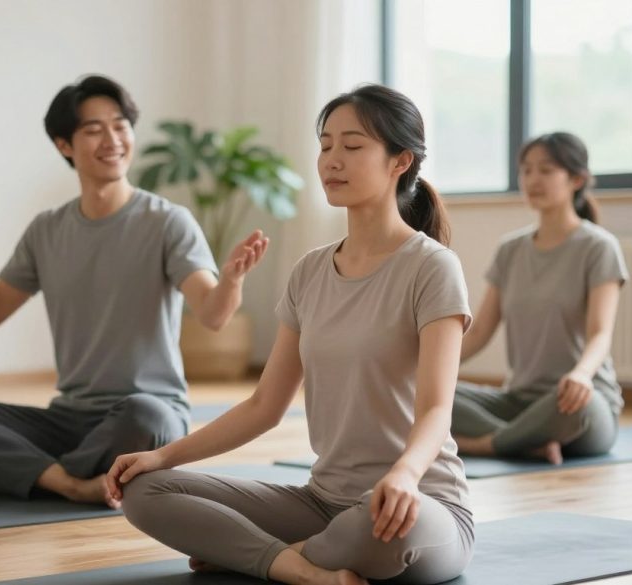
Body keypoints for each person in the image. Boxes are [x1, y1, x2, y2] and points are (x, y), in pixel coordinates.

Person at [107, 84, 474, 585]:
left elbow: (436, 408)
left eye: (352, 146)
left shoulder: (433, 268)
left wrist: (405, 474)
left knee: (380, 529)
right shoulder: (310, 272)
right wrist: (162, 455)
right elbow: (264, 407)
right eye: (325, 146)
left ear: (399, 161)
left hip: (419, 505)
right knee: (145, 490)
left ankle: (259, 556)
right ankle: (298, 568)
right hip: (321, 503)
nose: (332, 161)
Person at [0, 75, 268, 506]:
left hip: (143, 413)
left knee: (146, 417)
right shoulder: (46, 230)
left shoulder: (167, 222)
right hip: (69, 418)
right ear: (64, 145)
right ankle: (73, 482)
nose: (112, 139)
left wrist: (233, 280)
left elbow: (214, 314)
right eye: (93, 129)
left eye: (120, 125)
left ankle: (32, 473)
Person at [452, 132, 628, 465]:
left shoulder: (598, 247)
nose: (533, 179)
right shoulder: (510, 249)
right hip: (519, 401)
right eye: (527, 170)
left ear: (576, 179)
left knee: (582, 406)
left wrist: (580, 375)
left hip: (579, 402)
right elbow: (478, 333)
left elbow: (600, 334)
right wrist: (423, 372)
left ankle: (485, 444)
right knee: (424, 391)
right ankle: (524, 440)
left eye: (546, 170)